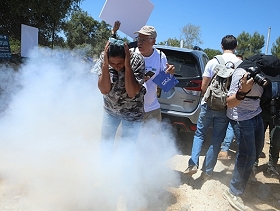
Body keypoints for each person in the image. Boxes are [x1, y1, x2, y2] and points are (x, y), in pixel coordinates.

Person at [184, 35, 240, 179]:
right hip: (225, 107)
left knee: (200, 134)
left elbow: (203, 87)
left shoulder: (213, 62)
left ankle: (193, 163)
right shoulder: (240, 64)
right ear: (236, 46)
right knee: (216, 139)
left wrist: (207, 97)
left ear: (221, 45)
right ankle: (207, 172)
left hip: (208, 105)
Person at [222, 65, 264, 210]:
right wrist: (243, 90)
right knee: (247, 154)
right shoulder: (241, 73)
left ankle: (244, 179)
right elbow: (230, 102)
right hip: (241, 116)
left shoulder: (268, 74)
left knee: (257, 151)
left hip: (256, 114)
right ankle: (234, 191)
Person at [94, 37, 146, 148]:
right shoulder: (104, 59)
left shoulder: (137, 60)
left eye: (120, 63)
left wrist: (127, 65)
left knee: (126, 148)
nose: (117, 67)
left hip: (132, 112)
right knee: (105, 144)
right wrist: (105, 65)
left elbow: (132, 92)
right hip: (110, 111)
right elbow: (104, 89)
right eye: (112, 63)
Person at [133, 25, 175, 122]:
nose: (139, 42)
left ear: (153, 41)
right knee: (130, 137)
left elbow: (166, 86)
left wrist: (170, 74)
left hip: (152, 109)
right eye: (138, 38)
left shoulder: (160, 56)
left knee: (153, 137)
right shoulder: (131, 54)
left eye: (143, 39)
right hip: (132, 108)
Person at [218, 54, 243, 160]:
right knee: (231, 125)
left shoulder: (227, 69)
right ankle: (226, 149)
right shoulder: (242, 72)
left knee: (227, 125)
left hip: (222, 100)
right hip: (234, 102)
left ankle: (223, 149)